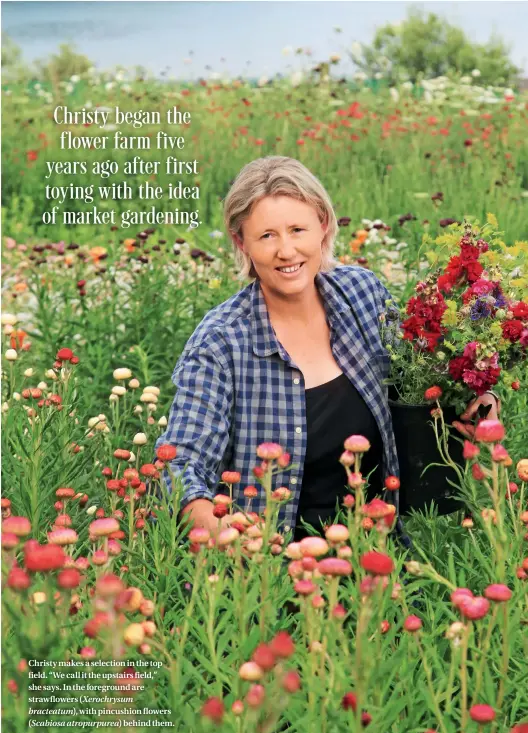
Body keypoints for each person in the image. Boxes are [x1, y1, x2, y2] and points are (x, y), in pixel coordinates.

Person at [154, 156, 499, 546]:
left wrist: (473, 397)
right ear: (241, 243)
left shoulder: (363, 295)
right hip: (272, 575)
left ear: (322, 226)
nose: (286, 250)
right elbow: (177, 466)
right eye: (267, 236)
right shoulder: (221, 343)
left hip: (377, 554)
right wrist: (226, 535)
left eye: (298, 229)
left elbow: (418, 382)